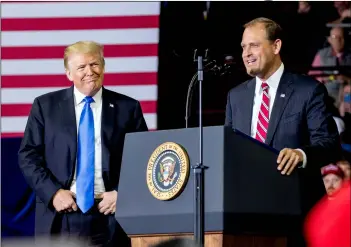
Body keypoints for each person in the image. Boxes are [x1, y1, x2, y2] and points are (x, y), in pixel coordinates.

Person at [18, 41, 148, 246]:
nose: (90, 71)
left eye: (95, 64)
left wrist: (122, 193)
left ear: (103, 67)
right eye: (81, 67)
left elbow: (143, 159)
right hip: (61, 214)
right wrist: (53, 193)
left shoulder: (128, 108)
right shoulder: (45, 106)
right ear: (69, 74)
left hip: (111, 214)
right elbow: (28, 156)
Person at [225, 17, 341, 245]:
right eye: (243, 47)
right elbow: (230, 150)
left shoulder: (308, 90)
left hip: (294, 215)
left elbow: (329, 144)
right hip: (246, 216)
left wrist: (301, 155)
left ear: (276, 46)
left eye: (254, 45)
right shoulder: (235, 97)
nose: (246, 53)